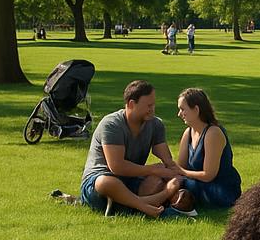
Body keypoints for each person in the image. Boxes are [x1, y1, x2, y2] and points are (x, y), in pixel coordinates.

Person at [57, 80, 191, 219]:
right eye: (148, 106)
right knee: (105, 182)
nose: (152, 109)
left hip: (130, 181)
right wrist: (159, 178)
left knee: (156, 180)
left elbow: (166, 159)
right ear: (131, 104)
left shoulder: (155, 124)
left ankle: (131, 205)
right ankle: (148, 204)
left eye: (153, 105)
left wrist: (177, 175)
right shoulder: (112, 124)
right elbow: (117, 167)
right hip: (99, 184)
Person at [172, 88, 242, 211]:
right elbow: (180, 167)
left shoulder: (213, 133)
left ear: (196, 110)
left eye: (183, 109)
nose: (179, 114)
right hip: (199, 184)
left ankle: (172, 204)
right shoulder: (188, 133)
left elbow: (208, 175)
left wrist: (182, 173)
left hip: (221, 191)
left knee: (182, 183)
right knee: (174, 181)